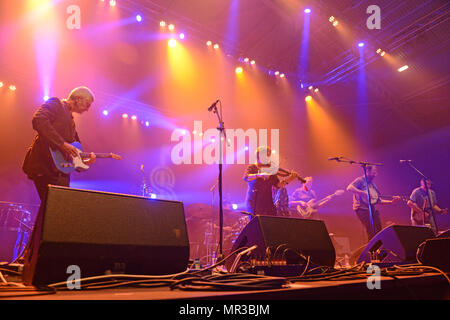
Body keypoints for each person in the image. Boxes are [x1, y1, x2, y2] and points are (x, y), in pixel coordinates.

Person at [22, 86, 96, 204]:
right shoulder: (56, 103)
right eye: (88, 104)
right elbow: (39, 120)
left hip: (60, 171)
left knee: (54, 211)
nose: (87, 109)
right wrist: (62, 144)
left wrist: (84, 162)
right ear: (78, 98)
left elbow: (74, 153)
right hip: (45, 166)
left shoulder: (71, 122)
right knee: (53, 209)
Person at [346, 165, 399, 241]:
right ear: (367, 171)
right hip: (362, 209)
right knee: (371, 230)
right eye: (373, 172)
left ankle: (378, 249)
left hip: (372, 209)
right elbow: (349, 187)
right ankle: (371, 251)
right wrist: (363, 193)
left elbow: (378, 200)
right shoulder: (360, 180)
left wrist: (391, 202)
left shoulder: (373, 185)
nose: (375, 174)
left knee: (379, 231)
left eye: (375, 173)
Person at [243, 146, 298, 216]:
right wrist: (259, 175)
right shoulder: (252, 167)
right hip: (254, 202)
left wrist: (290, 179)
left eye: (268, 156)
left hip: (267, 202)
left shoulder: (270, 170)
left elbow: (278, 185)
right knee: (257, 223)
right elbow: (246, 177)